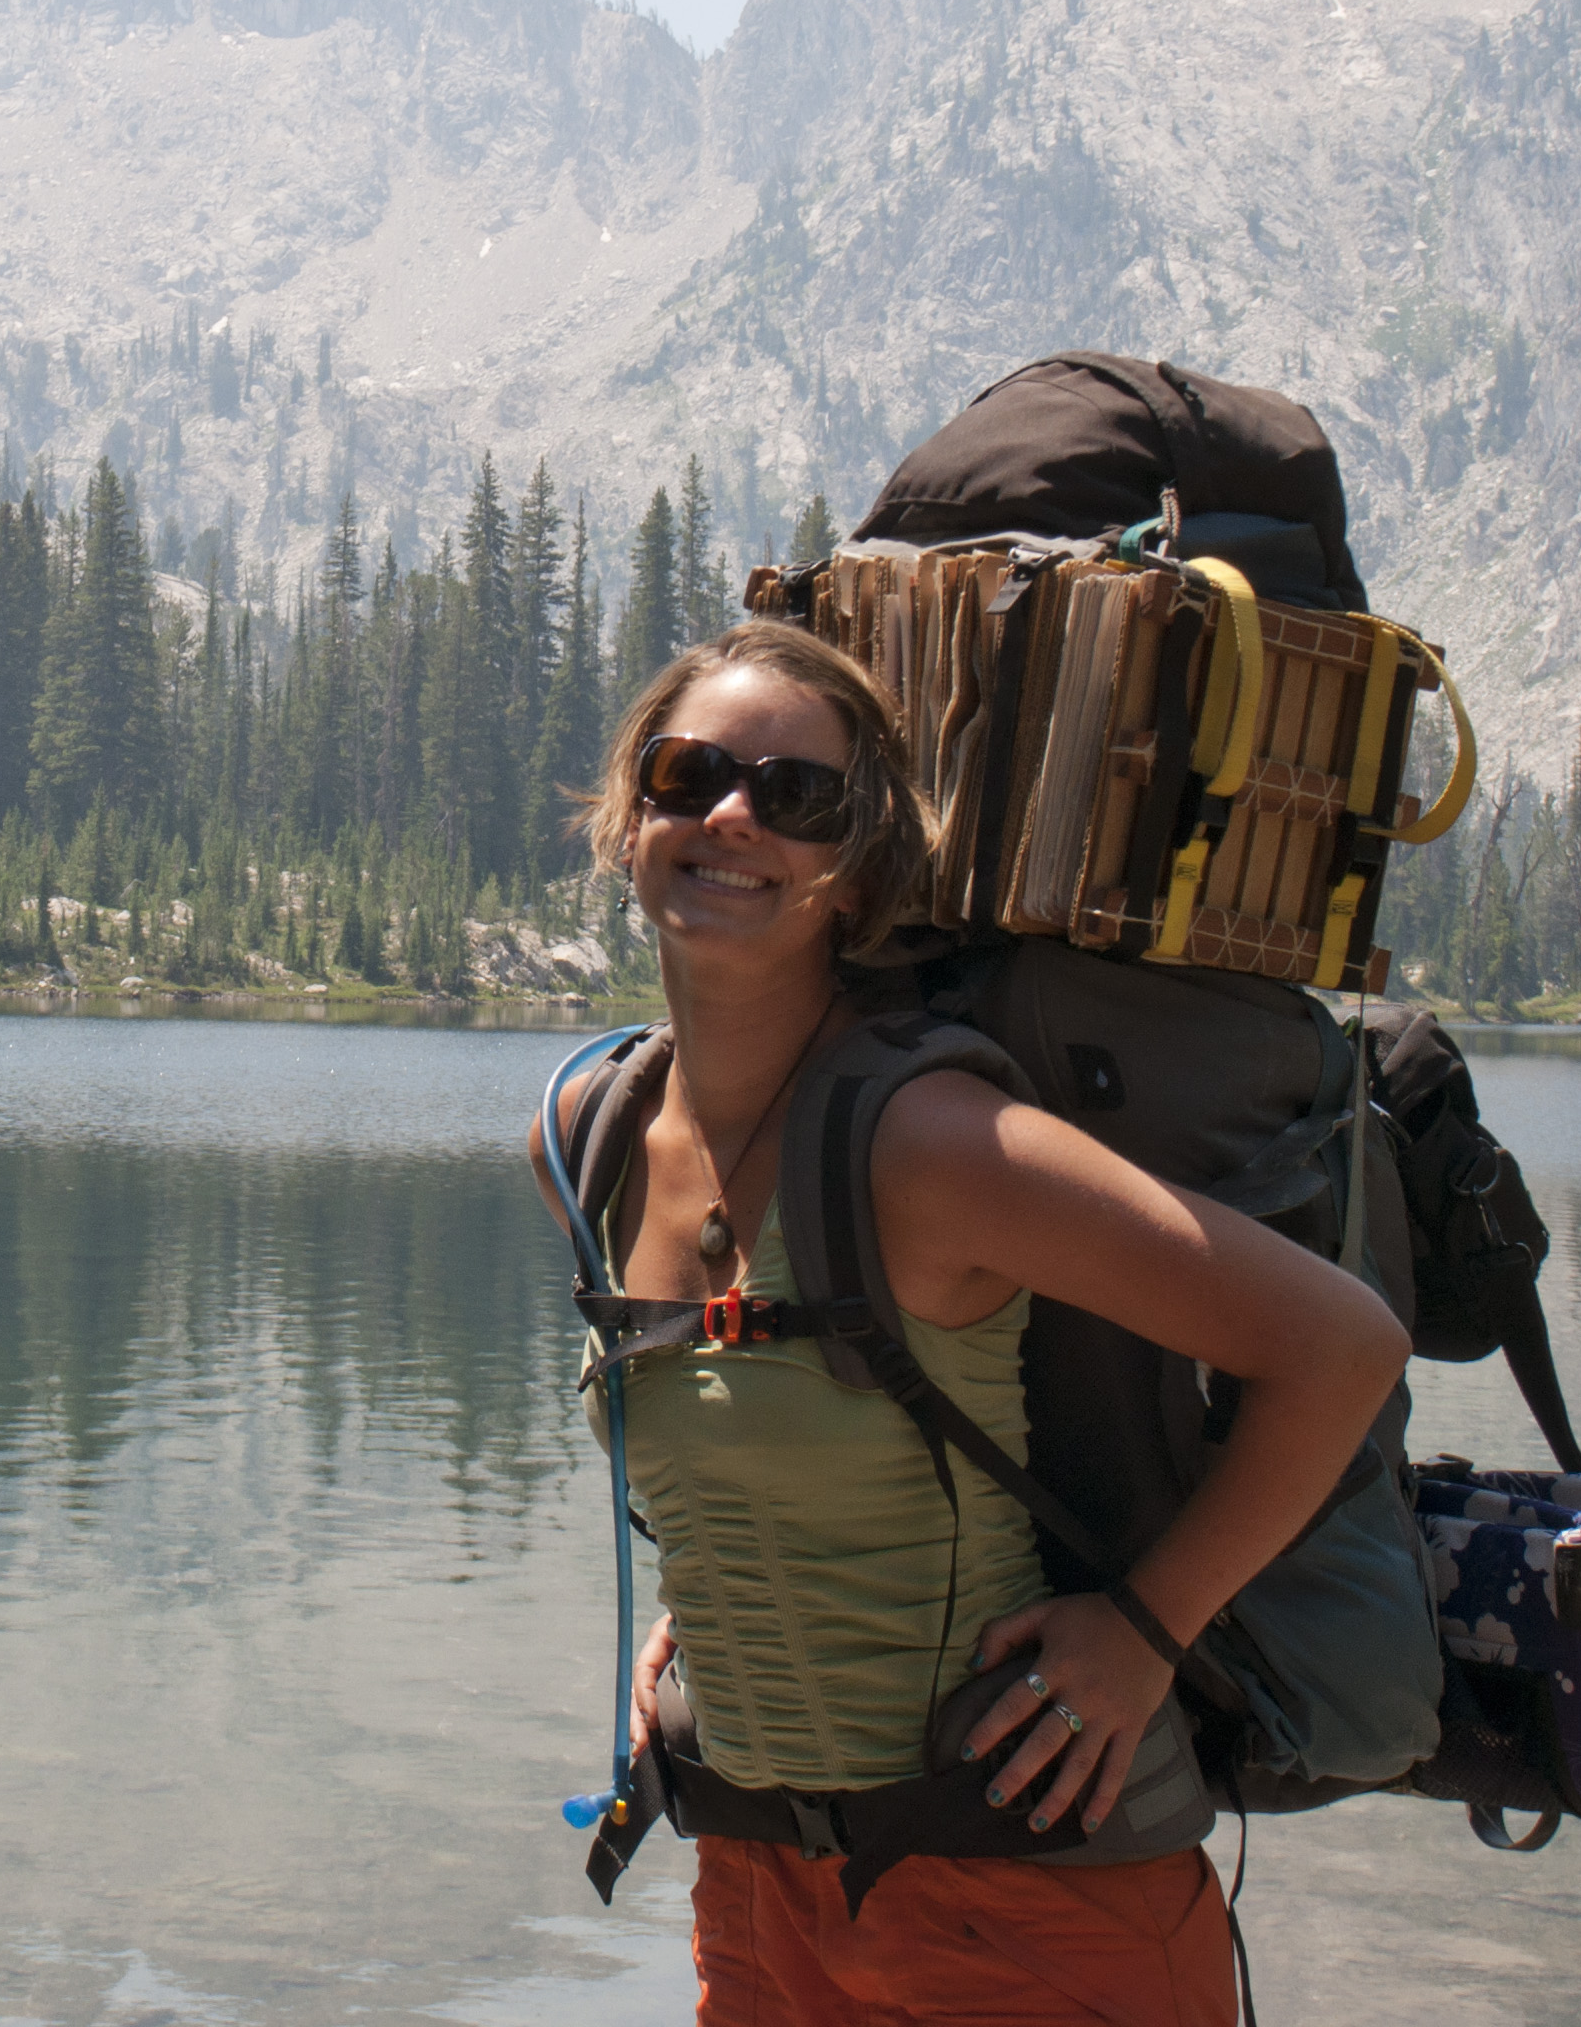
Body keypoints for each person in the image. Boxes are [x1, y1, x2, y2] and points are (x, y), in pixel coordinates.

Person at [538, 620, 1409, 2026]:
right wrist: (704, 1609)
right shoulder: (591, 1133)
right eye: (687, 773)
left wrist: (1142, 1628)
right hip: (758, 1885)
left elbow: (1340, 1346)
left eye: (796, 795)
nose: (733, 816)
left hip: (1029, 1892)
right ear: (627, 820)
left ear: (858, 870)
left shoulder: (932, 1147)